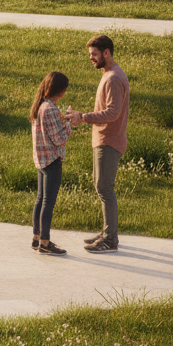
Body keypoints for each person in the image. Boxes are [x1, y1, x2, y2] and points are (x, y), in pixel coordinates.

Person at [66, 35, 129, 254]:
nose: (91, 58)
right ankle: (107, 232)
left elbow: (113, 112)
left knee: (105, 188)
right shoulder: (109, 74)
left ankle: (110, 239)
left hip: (109, 140)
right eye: (90, 54)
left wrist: (82, 117)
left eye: (94, 54)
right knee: (101, 186)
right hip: (104, 138)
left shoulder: (113, 78)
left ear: (106, 53)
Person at [31, 71, 80, 256]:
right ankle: (45, 242)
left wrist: (63, 119)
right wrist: (69, 122)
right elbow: (59, 138)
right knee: (48, 203)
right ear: (62, 91)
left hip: (41, 160)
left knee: (40, 200)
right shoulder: (50, 108)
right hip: (52, 160)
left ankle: (36, 238)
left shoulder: (39, 106)